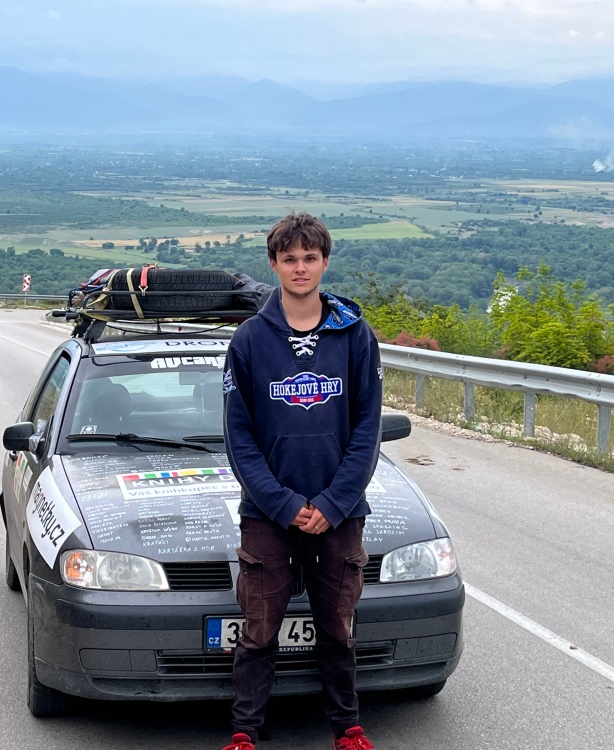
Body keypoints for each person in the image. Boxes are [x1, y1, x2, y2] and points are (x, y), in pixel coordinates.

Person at [221, 212, 383, 750]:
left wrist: (333, 504)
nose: (300, 268)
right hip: (267, 514)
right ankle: (244, 733)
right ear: (273, 264)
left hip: (340, 514)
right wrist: (282, 504)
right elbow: (239, 437)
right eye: (289, 258)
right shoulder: (249, 340)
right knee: (259, 629)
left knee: (337, 628)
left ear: (325, 262)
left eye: (309, 258)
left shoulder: (354, 335)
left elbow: (367, 430)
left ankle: (348, 729)